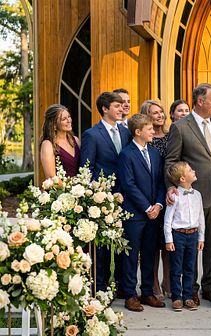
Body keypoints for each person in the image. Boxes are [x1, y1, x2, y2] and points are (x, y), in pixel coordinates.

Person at [164, 83, 211, 305]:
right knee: (190, 247)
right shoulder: (181, 127)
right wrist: (171, 186)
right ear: (200, 101)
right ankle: (190, 291)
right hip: (193, 196)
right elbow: (171, 160)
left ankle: (208, 287)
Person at [80, 91, 132, 291]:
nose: (121, 109)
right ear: (105, 108)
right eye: (117, 106)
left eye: (122, 106)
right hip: (102, 198)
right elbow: (87, 168)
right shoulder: (92, 135)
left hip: (126, 195)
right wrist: (98, 195)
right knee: (101, 248)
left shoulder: (126, 133)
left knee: (123, 244)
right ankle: (99, 289)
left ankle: (121, 287)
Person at [117, 114, 166, 311]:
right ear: (138, 132)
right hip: (135, 214)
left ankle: (147, 292)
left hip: (154, 212)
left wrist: (158, 205)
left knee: (149, 253)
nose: (153, 131)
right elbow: (128, 185)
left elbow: (161, 181)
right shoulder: (126, 154)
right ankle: (130, 294)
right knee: (131, 255)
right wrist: (147, 208)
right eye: (149, 129)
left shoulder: (154, 153)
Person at [164, 162, 205, 312]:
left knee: (190, 268)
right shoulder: (175, 196)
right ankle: (176, 297)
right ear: (182, 178)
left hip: (193, 235)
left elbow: (201, 218)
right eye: (190, 170)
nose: (193, 170)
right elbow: (168, 219)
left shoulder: (198, 195)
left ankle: (188, 297)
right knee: (176, 267)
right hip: (178, 235)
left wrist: (201, 238)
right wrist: (169, 239)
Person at [140, 99, 170, 301]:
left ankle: (169, 281)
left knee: (168, 240)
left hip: (169, 193)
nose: (160, 115)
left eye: (161, 112)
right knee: (151, 243)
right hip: (150, 194)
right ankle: (153, 283)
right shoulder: (145, 140)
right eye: (154, 113)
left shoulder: (171, 136)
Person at [40, 104, 80, 178]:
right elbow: (51, 177)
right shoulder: (48, 145)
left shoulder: (76, 140)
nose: (69, 121)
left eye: (69, 117)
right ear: (54, 124)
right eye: (64, 119)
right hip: (60, 189)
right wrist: (72, 188)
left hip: (81, 188)